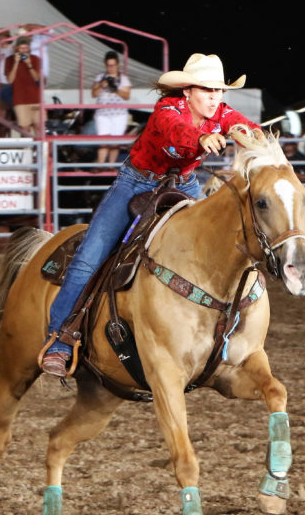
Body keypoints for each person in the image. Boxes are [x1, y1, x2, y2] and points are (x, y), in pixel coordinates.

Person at [39, 52, 258, 377]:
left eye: (219, 91)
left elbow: (247, 127)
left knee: (219, 247)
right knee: (90, 256)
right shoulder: (167, 109)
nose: (215, 98)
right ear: (187, 91)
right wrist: (202, 138)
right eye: (206, 90)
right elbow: (174, 131)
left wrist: (252, 138)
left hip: (183, 183)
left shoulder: (221, 113)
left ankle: (221, 332)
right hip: (136, 182)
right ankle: (60, 339)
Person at [92, 51, 132, 163]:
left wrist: (115, 89)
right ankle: (100, 165)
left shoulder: (123, 79)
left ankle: (110, 165)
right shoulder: (100, 77)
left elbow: (127, 96)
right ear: (105, 65)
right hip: (102, 114)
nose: (111, 68)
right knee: (103, 141)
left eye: (113, 65)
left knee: (115, 142)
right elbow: (94, 94)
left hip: (119, 114)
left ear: (117, 64)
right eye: (108, 65)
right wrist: (101, 85)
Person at [4, 36, 42, 135]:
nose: (24, 51)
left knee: (39, 126)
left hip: (36, 99)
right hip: (20, 100)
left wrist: (29, 65)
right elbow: (10, 80)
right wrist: (16, 63)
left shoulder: (35, 59)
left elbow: (37, 78)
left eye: (26, 48)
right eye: (21, 48)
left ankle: (41, 149)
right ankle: (27, 149)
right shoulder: (9, 60)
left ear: (29, 48)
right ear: (17, 48)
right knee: (25, 129)